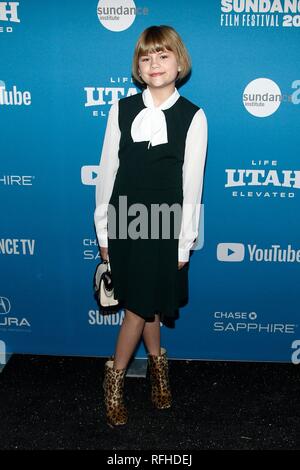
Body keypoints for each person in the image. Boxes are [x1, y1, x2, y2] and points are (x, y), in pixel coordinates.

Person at [94, 25, 208, 428]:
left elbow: (192, 186)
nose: (154, 64)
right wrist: (104, 232)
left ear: (179, 61)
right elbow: (107, 174)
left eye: (163, 55)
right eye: (146, 57)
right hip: (125, 222)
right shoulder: (120, 110)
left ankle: (156, 373)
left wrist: (183, 245)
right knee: (139, 307)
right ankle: (117, 380)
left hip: (165, 226)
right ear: (138, 68)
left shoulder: (194, 116)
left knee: (149, 303)